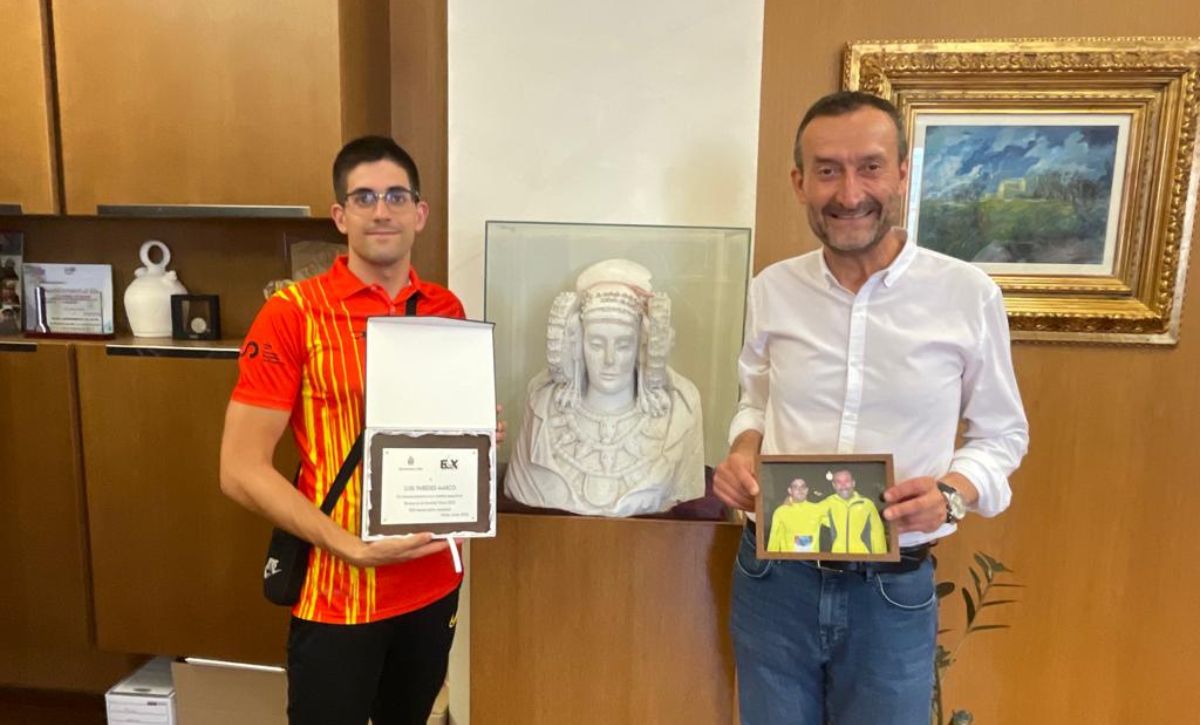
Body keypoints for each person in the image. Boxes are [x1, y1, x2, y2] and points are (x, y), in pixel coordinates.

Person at [713, 91, 1029, 725]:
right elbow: (757, 400)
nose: (849, 192)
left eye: (870, 167)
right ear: (799, 182)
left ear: (903, 174)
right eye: (828, 170)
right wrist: (743, 450)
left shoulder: (966, 295)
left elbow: (1002, 435)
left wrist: (952, 494)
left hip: (891, 592)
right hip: (773, 581)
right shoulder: (773, 289)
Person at [219, 136, 502, 725]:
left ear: (419, 213)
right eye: (364, 197)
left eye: (397, 196)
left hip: (433, 583)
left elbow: (441, 434)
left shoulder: (445, 309)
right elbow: (240, 470)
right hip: (338, 590)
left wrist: (476, 436)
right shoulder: (294, 314)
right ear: (340, 216)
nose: (381, 211)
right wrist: (347, 546)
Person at [506, 258, 704, 517]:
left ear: (642, 346)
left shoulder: (680, 411)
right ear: (577, 344)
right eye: (597, 344)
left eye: (623, 345)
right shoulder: (542, 405)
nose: (609, 359)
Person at [823, 469, 886, 555]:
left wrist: (881, 558)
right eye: (838, 482)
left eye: (847, 481)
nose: (843, 485)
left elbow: (878, 534)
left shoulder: (867, 504)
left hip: (863, 558)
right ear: (834, 485)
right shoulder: (827, 504)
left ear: (853, 483)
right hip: (836, 558)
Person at [766, 477, 830, 553]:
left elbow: (836, 523)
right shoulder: (780, 512)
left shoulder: (817, 509)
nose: (800, 490)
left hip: (812, 559)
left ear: (807, 490)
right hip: (789, 559)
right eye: (795, 487)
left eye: (803, 487)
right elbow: (774, 540)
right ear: (790, 491)